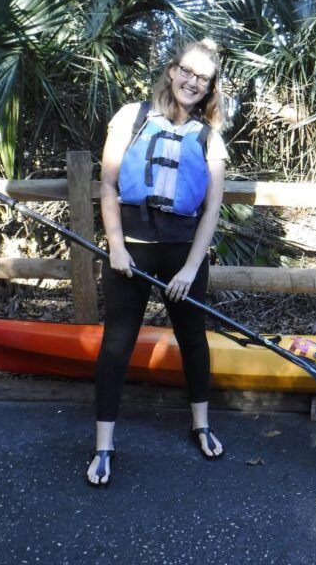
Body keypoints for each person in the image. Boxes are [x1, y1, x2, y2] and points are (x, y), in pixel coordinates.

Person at [87, 39, 228, 488]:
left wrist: (190, 268)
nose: (192, 82)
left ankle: (201, 424)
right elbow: (108, 186)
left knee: (192, 339)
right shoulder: (131, 117)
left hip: (183, 255)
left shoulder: (210, 136)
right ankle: (103, 445)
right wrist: (116, 246)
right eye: (187, 71)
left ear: (209, 88)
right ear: (172, 70)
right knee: (117, 345)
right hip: (129, 248)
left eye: (202, 78)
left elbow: (210, 210)